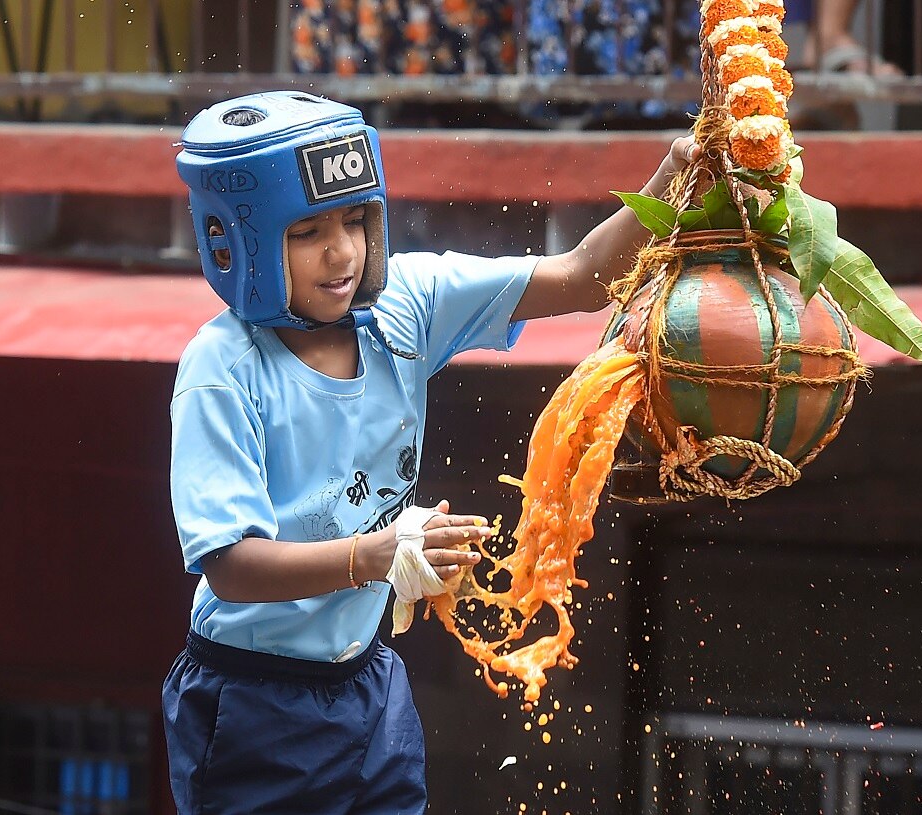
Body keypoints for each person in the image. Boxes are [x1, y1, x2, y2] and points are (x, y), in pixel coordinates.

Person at [161, 91, 696, 815]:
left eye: (354, 220)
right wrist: (377, 554)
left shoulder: (403, 303)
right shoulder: (221, 369)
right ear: (239, 243)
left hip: (368, 684)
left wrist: (676, 174)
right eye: (308, 230)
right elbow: (229, 566)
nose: (342, 251)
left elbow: (580, 277)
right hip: (253, 699)